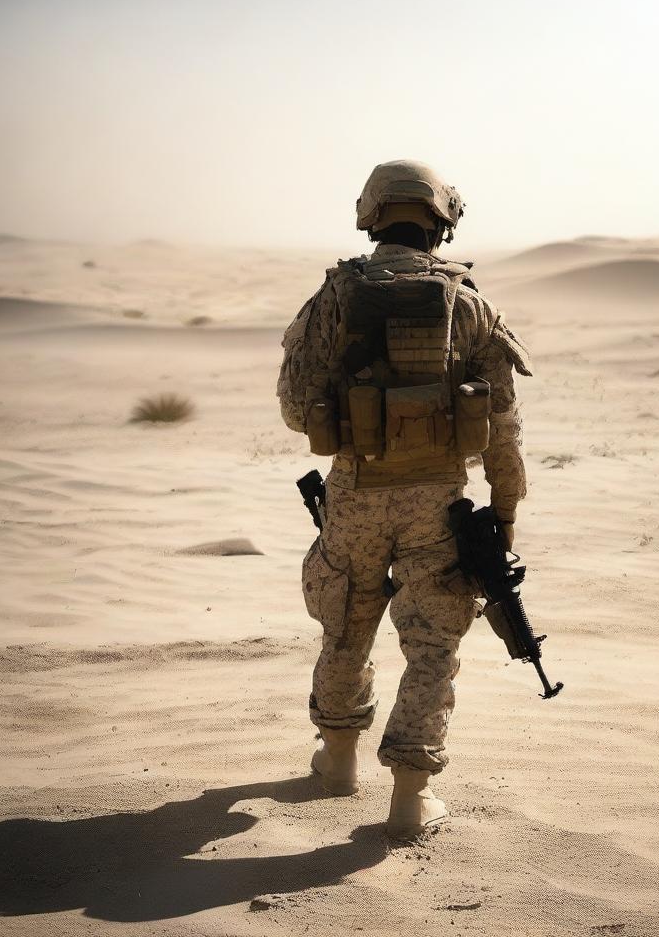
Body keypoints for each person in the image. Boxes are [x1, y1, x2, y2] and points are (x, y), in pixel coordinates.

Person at [277, 159, 531, 839]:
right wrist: (503, 515)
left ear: (371, 215)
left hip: (357, 495)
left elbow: (298, 411)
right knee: (432, 645)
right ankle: (409, 803)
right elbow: (503, 429)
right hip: (439, 504)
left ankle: (336, 764)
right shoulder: (471, 304)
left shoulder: (333, 298)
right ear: (442, 220)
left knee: (346, 628)